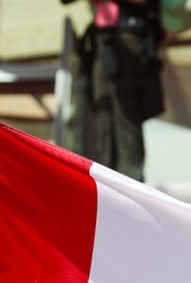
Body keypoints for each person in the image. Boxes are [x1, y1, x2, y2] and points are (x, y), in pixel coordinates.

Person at [66, 0, 166, 182]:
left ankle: (131, 186)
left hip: (129, 37)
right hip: (105, 41)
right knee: (103, 114)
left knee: (126, 116)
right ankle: (106, 183)